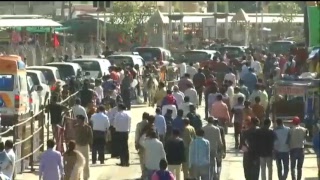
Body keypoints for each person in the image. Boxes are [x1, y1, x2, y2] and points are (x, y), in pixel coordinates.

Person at [74, 115, 92, 180]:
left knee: (86, 162)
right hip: (77, 145)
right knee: (77, 162)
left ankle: (86, 177)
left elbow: (90, 136)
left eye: (79, 119)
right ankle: (77, 177)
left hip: (85, 146)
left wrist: (88, 142)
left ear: (82, 120)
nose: (77, 121)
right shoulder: (75, 127)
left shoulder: (87, 127)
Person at [135, 112, 150, 179]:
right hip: (149, 144)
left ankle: (143, 174)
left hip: (141, 144)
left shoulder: (139, 124)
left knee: (142, 160)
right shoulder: (150, 124)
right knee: (148, 159)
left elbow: (137, 135)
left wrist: (136, 143)